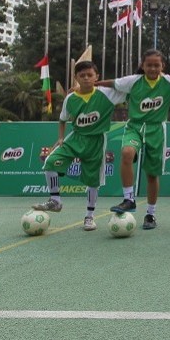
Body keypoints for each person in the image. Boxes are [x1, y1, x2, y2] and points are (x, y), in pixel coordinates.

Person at [97, 49, 170, 230]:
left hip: (156, 130)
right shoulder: (133, 82)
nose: (153, 68)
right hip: (135, 127)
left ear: (162, 66)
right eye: (149, 65)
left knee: (151, 174)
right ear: (143, 65)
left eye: (157, 65)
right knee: (126, 152)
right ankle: (128, 199)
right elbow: (112, 83)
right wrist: (92, 83)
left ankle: (150, 214)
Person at [32, 60, 127, 231]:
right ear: (76, 77)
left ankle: (89, 217)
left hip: (96, 141)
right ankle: (55, 200)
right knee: (50, 162)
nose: (86, 78)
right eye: (81, 75)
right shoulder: (71, 98)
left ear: (96, 77)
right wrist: (61, 138)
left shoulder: (107, 94)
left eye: (90, 75)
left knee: (93, 181)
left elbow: (128, 88)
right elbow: (62, 119)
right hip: (75, 138)